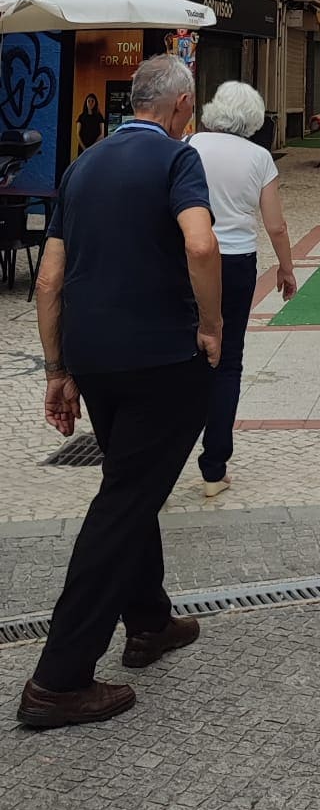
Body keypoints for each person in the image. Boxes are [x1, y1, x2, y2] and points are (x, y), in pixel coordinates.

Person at [19, 56, 221, 730]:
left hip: (94, 360)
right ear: (181, 106)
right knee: (124, 501)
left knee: (133, 481)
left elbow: (49, 281)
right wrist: (212, 324)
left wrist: (57, 370)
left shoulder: (82, 167)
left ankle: (150, 623)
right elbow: (200, 244)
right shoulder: (175, 161)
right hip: (163, 360)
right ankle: (59, 679)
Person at [191, 82, 297, 499]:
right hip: (235, 262)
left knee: (182, 356)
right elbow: (275, 224)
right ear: (253, 119)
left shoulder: (189, 144)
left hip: (188, 258)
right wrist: (286, 269)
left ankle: (159, 463)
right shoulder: (259, 158)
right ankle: (214, 468)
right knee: (227, 359)